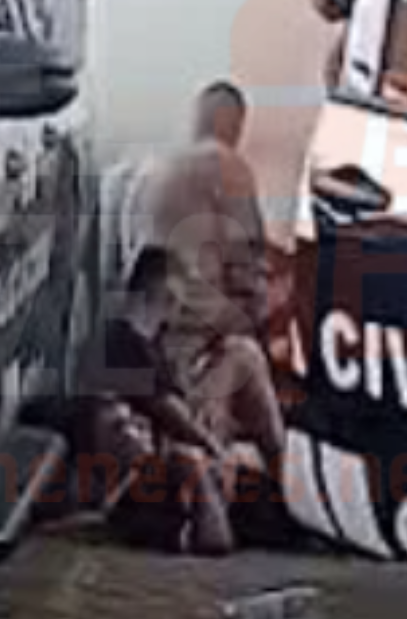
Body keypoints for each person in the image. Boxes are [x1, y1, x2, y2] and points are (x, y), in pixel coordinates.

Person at [120, 82, 288, 466]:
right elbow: (249, 276)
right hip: (186, 363)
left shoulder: (153, 169)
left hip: (141, 363)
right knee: (248, 357)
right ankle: (283, 476)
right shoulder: (227, 166)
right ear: (236, 127)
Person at [83, 246, 240, 555]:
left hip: (152, 468)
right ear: (166, 292)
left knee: (240, 357)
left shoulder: (150, 343)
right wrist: (214, 449)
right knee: (193, 460)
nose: (180, 307)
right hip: (134, 478)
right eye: (178, 296)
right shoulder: (123, 342)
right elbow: (170, 412)